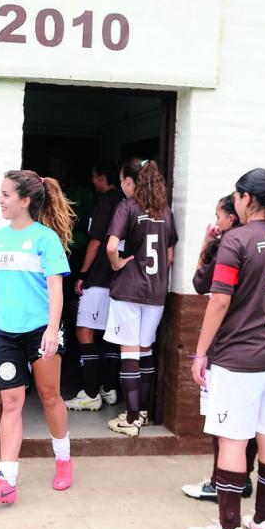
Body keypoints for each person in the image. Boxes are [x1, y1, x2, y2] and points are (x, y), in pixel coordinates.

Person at [185, 170, 265, 529]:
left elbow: (219, 299)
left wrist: (201, 352)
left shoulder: (236, 241)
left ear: (244, 198)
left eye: (237, 198)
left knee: (233, 439)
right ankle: (263, 521)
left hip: (239, 359)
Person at [0, 169, 77, 504]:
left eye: (6, 194)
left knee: (50, 396)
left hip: (40, 331)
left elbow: (56, 289)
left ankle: (63, 459)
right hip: (4, 332)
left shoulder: (45, 239)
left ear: (24, 200)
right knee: (11, 403)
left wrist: (52, 330)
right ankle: (6, 481)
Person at [182, 193, 259, 501]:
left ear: (232, 217)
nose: (215, 222)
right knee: (252, 422)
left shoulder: (230, 246)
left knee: (223, 420)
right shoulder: (263, 244)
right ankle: (245, 479)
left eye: (218, 217)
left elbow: (205, 287)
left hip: (230, 345)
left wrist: (206, 245)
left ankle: (221, 481)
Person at [104, 158, 176, 437]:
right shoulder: (166, 212)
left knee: (129, 352)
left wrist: (117, 264)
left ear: (132, 181)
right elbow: (169, 256)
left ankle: (130, 419)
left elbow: (112, 246)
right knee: (145, 350)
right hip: (156, 292)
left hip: (129, 288)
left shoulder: (128, 207)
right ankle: (142, 413)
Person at [65, 162, 125, 411]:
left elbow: (95, 242)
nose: (93, 181)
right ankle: (109, 389)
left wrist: (84, 273)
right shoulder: (129, 203)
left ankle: (90, 393)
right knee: (112, 333)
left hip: (100, 277)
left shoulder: (104, 203)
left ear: (103, 177)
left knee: (84, 332)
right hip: (122, 281)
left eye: (94, 176)